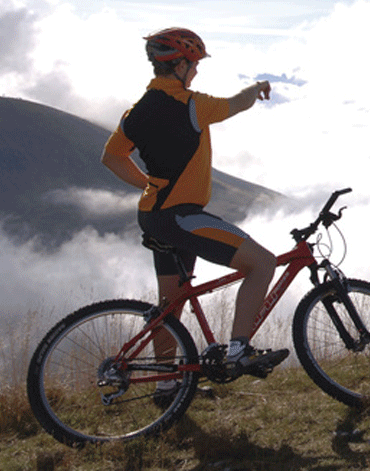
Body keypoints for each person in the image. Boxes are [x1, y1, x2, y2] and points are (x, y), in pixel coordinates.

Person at [102, 27, 289, 397]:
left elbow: (111, 157)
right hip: (180, 216)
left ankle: (167, 385)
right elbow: (236, 103)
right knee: (263, 264)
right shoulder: (192, 105)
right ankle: (238, 350)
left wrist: (148, 185)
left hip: (153, 214)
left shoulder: (135, 113)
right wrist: (257, 87)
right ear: (180, 65)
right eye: (195, 64)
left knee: (169, 305)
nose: (197, 71)